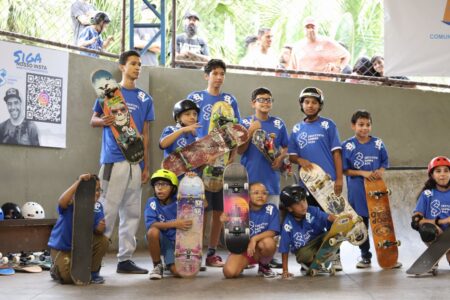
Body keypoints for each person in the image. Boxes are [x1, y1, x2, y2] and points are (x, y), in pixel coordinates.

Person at [90, 50, 155, 274]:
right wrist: (103, 121)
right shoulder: (109, 92)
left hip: (135, 162)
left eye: (139, 64)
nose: (137, 67)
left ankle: (125, 259)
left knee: (132, 211)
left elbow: (145, 135)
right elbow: (93, 120)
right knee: (106, 209)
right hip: (113, 160)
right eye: (133, 64)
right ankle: (94, 261)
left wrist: (146, 165)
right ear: (122, 67)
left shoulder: (145, 98)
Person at [187, 59, 241, 267]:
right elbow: (187, 125)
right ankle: (195, 252)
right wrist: (197, 157)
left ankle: (211, 253)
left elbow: (235, 129)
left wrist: (232, 154)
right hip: (200, 161)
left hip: (222, 160)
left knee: (218, 209)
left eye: (222, 73)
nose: (218, 77)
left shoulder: (229, 100)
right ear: (206, 75)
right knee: (200, 208)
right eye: (215, 73)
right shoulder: (196, 97)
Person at [287, 86, 344, 270]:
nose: (310, 105)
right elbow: (292, 155)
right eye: (307, 102)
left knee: (333, 221)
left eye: (314, 102)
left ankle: (335, 258)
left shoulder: (328, 125)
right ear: (301, 105)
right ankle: (313, 258)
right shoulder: (297, 128)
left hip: (328, 183)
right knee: (313, 220)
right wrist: (300, 159)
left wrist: (339, 179)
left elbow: (336, 153)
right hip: (308, 186)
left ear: (320, 105)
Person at [342, 110, 401, 269]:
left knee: (380, 220)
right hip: (357, 189)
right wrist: (362, 172)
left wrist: (380, 171)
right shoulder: (348, 145)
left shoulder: (378, 143)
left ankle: (388, 255)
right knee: (362, 224)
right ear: (353, 126)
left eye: (368, 125)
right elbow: (344, 170)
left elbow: (384, 162)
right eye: (361, 125)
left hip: (376, 189)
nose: (364, 128)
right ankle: (365, 256)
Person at [47, 173, 109, 284]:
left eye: (99, 190)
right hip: (63, 249)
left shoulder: (98, 207)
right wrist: (79, 182)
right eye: (93, 190)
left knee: (103, 240)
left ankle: (93, 273)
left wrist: (100, 228)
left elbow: (97, 231)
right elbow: (62, 201)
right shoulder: (71, 202)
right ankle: (55, 269)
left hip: (81, 250)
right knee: (70, 279)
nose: (97, 193)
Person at [278, 185, 338, 278]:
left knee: (333, 235)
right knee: (304, 255)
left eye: (304, 200)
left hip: (319, 240)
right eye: (298, 203)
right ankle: (310, 263)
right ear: (289, 208)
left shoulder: (312, 210)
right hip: (304, 249)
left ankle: (326, 259)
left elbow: (329, 217)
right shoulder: (287, 225)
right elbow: (284, 248)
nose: (303, 205)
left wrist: (341, 220)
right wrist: (285, 270)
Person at [222, 182, 280, 278]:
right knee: (229, 273)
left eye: (264, 193)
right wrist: (223, 222)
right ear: (248, 195)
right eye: (256, 193)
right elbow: (230, 232)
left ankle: (264, 265)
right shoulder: (240, 209)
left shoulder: (271, 209)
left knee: (269, 243)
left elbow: (273, 231)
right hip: (244, 249)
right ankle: (243, 264)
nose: (260, 196)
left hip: (259, 249)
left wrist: (254, 239)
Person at [411, 156, 450, 272]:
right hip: (435, 234)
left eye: (446, 171)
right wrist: (442, 221)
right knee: (427, 229)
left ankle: (435, 257)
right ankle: (435, 255)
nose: (442, 174)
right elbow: (416, 220)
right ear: (432, 175)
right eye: (438, 171)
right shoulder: (427, 194)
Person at [145, 169, 184, 280]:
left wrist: (192, 180)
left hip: (179, 244)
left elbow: (203, 204)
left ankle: (169, 264)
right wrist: (174, 223)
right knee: (152, 232)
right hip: (163, 241)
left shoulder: (180, 201)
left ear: (173, 188)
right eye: (157, 184)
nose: (160, 188)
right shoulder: (152, 202)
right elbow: (151, 224)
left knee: (179, 273)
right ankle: (157, 266)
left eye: (165, 184)